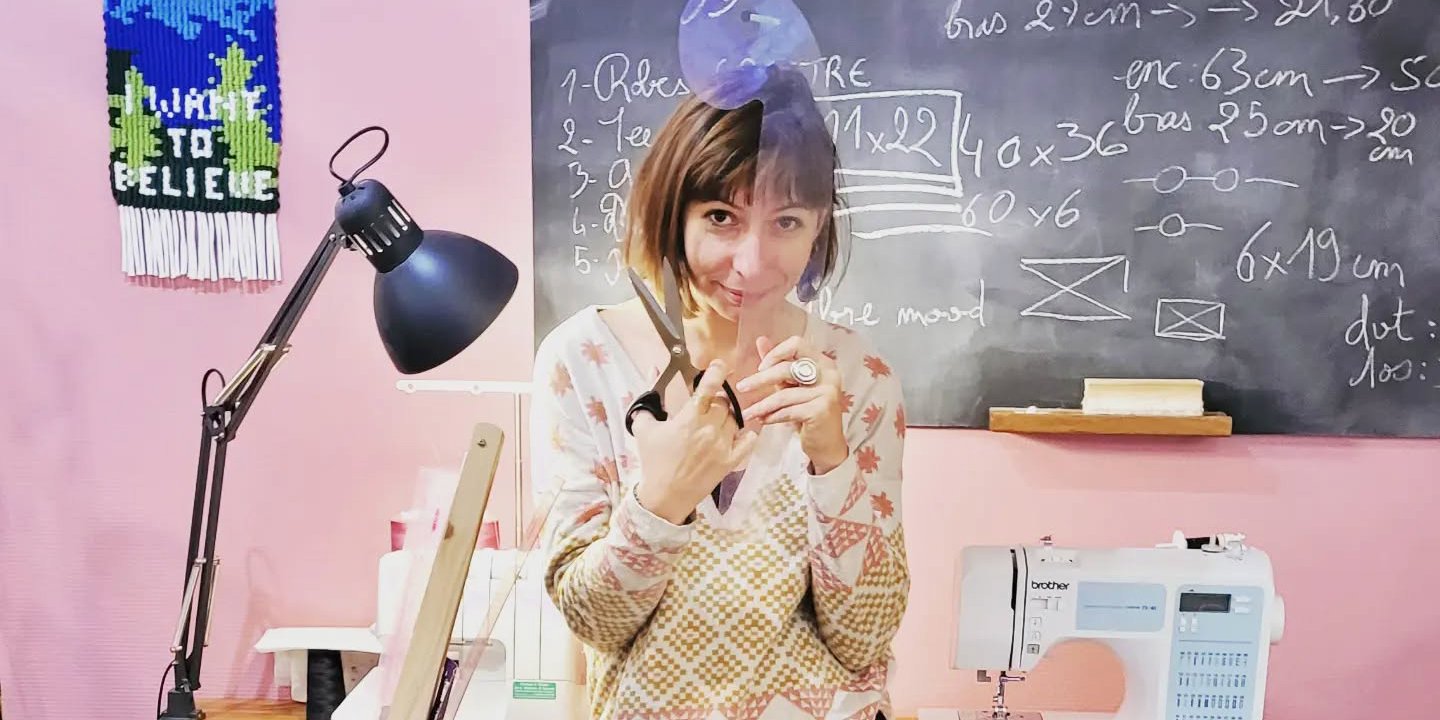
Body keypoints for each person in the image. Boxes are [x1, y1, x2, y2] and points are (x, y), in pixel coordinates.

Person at [529, 65, 909, 720]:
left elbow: (864, 638)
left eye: (786, 222)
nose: (752, 263)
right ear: (672, 211)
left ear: (819, 225)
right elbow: (594, 623)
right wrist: (663, 500)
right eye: (721, 217)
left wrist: (831, 461)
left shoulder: (858, 375)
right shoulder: (584, 362)